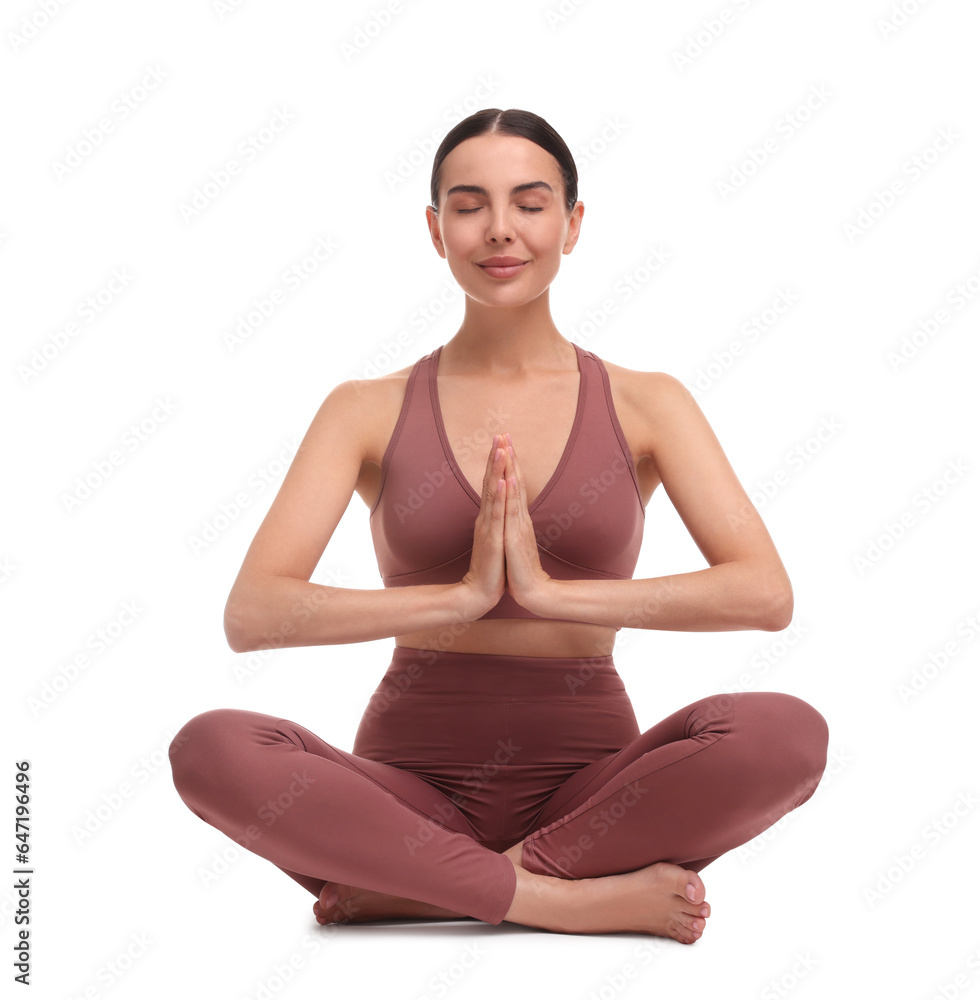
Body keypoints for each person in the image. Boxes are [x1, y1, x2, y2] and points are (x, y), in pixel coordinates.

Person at [168, 108, 829, 945]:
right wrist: (461, 598)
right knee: (212, 748)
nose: (501, 230)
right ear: (436, 230)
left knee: (787, 733)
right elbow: (253, 615)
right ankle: (561, 900)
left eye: (531, 201)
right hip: (405, 801)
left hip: (591, 797)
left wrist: (552, 595)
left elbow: (765, 595)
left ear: (573, 223)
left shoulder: (648, 402)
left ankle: (420, 891)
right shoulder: (363, 410)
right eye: (470, 204)